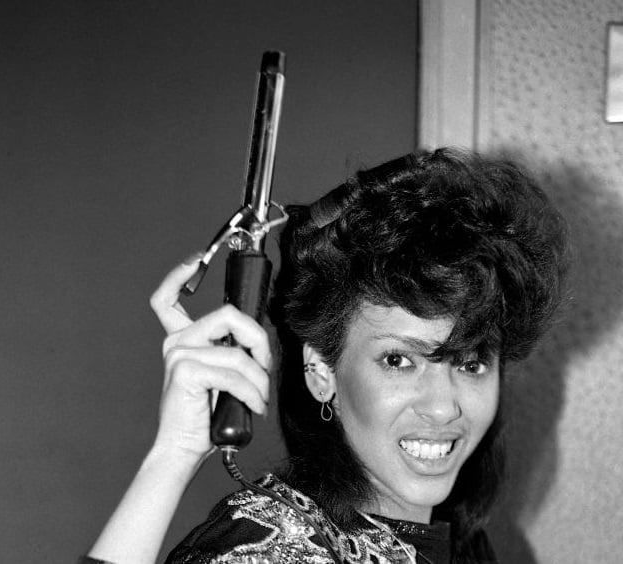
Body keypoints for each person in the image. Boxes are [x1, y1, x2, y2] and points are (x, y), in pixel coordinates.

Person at [81, 148, 568, 564]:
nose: (443, 408)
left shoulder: (461, 544)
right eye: (399, 361)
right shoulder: (273, 549)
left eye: (470, 363)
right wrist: (174, 455)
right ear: (320, 369)